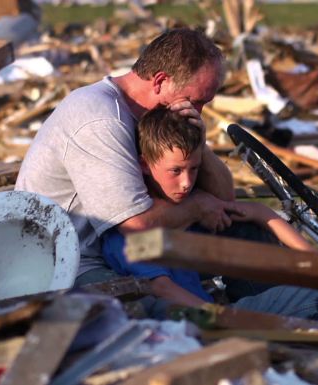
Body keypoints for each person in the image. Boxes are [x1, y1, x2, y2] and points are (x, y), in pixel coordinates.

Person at [101, 106, 318, 328]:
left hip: (219, 313)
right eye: (175, 171)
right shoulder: (131, 232)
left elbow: (260, 214)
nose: (186, 182)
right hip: (197, 323)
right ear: (144, 165)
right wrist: (223, 317)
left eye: (193, 169)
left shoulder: (185, 213)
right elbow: (163, 290)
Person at [16, 28, 242, 285]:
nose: (197, 112)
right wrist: (199, 206)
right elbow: (135, 226)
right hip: (67, 263)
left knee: (246, 235)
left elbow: (226, 199)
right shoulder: (100, 119)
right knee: (158, 305)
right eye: (194, 101)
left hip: (119, 249)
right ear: (159, 81)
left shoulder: (162, 121)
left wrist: (199, 142)